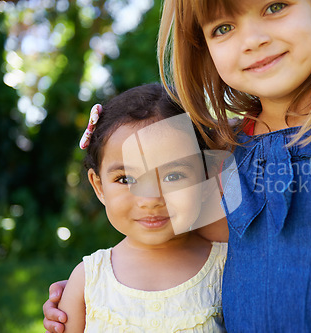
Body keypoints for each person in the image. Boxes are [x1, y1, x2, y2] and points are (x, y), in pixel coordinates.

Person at [43, 0, 311, 332]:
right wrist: (88, 295)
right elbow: (165, 236)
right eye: (224, 27)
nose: (252, 40)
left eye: (275, 6)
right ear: (204, 48)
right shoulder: (226, 153)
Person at [55, 83, 229, 332]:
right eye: (126, 179)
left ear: (206, 180)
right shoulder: (88, 280)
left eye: (173, 176)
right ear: (99, 186)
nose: (150, 199)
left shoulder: (226, 268)